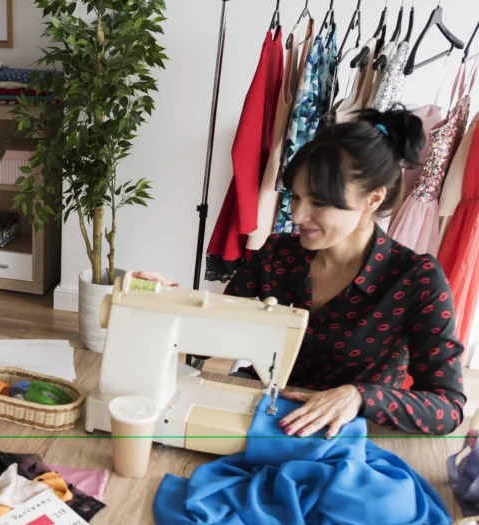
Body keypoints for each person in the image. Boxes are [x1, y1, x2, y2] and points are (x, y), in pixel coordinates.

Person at [142, 108, 465, 438]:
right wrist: (171, 305)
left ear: (373, 200)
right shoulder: (278, 254)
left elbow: (447, 407)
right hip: (259, 421)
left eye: (320, 203)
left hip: (340, 439)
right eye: (295, 197)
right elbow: (212, 338)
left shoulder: (415, 279)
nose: (297, 214)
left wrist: (359, 396)